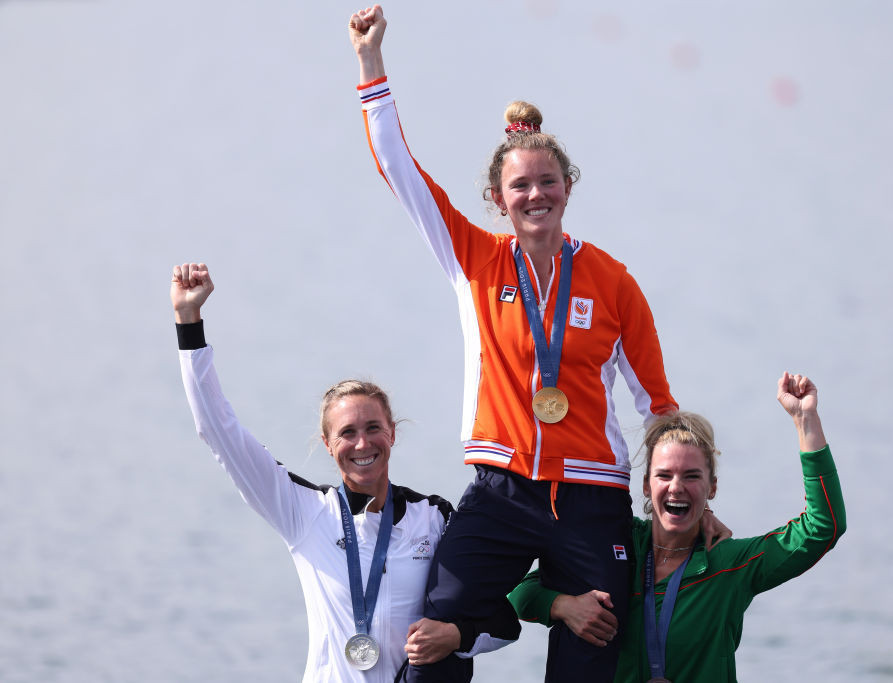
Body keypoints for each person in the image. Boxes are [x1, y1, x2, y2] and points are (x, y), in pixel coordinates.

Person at [348, 6, 727, 682]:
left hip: (593, 498)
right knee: (436, 629)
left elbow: (658, 406)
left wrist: (692, 501)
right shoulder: (473, 260)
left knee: (596, 639)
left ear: (568, 187)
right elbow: (399, 171)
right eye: (520, 185)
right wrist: (370, 64)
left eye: (547, 182)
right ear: (498, 197)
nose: (535, 194)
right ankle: (469, 633)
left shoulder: (614, 282)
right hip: (501, 492)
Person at [170, 262, 515, 682]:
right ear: (328, 443)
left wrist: (458, 636)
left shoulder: (434, 518)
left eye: (373, 429)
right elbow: (217, 430)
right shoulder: (301, 511)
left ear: (392, 433)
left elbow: (501, 621)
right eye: (347, 433)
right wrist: (189, 322)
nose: (362, 444)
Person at [509, 372, 847, 682]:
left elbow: (822, 526)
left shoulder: (729, 564)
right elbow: (518, 593)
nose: (676, 487)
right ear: (645, 485)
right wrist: (564, 606)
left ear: (711, 487)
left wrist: (806, 421)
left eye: (692, 476)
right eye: (664, 475)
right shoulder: (615, 544)